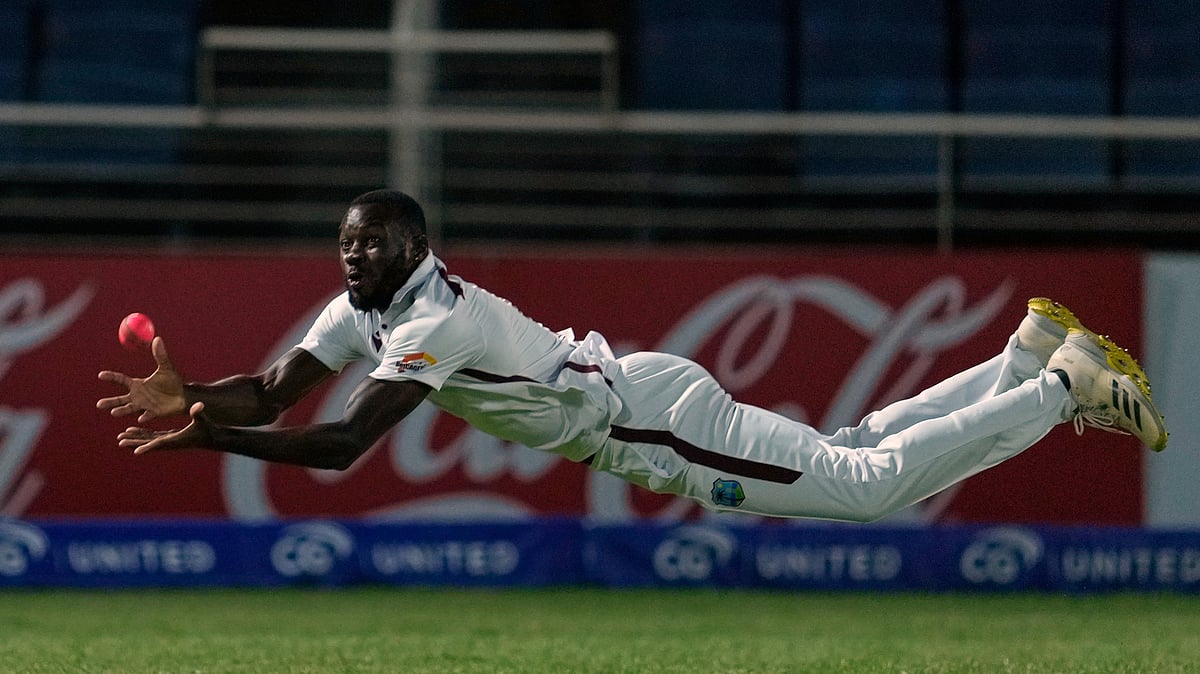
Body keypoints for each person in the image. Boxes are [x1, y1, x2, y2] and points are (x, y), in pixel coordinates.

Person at [97, 189, 1168, 523]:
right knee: (849, 451)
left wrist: (206, 439)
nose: (351, 257)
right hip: (643, 398)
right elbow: (283, 386)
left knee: (871, 491)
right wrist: (194, 391)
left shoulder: (432, 319)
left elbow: (337, 446)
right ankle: (1020, 357)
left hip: (649, 422)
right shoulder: (368, 306)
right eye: (344, 244)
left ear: (416, 247)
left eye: (368, 243)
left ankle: (1058, 385)